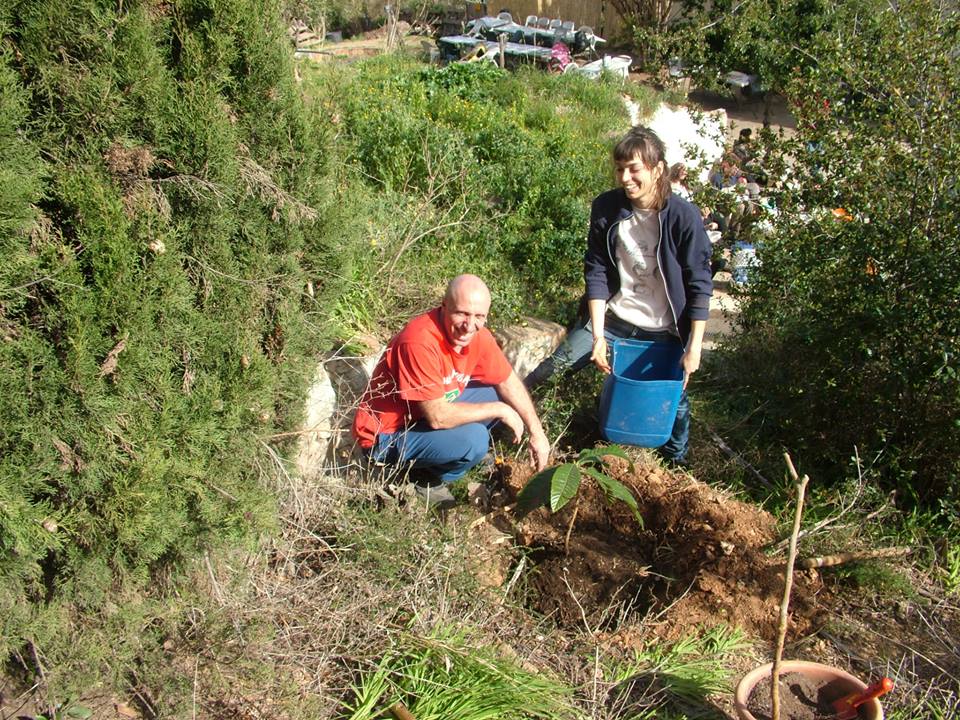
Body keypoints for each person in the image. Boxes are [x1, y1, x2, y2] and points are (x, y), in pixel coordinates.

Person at [526, 126, 713, 466]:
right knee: (548, 372)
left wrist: (694, 346)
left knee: (675, 404)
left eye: (634, 169)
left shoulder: (683, 217)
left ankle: (677, 469)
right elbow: (596, 271)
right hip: (614, 320)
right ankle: (511, 430)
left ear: (657, 170)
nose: (625, 178)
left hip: (666, 330)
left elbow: (700, 284)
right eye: (619, 169)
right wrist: (597, 336)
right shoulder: (607, 208)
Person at [352, 274, 550, 505]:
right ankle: (424, 477)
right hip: (386, 437)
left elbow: (507, 381)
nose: (469, 326)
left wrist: (537, 432)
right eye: (462, 313)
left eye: (479, 316)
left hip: (421, 415)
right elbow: (438, 417)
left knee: (496, 391)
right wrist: (499, 410)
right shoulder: (419, 342)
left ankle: (443, 454)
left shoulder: (478, 336)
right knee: (476, 440)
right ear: (444, 306)